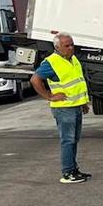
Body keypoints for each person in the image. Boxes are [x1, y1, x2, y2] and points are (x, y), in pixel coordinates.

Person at [30, 32, 91, 184]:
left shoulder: (73, 59)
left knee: (73, 140)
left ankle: (73, 169)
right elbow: (35, 79)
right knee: (68, 140)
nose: (71, 48)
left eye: (72, 45)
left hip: (74, 106)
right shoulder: (52, 62)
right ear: (57, 47)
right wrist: (49, 96)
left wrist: (83, 102)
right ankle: (68, 173)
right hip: (64, 108)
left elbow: (77, 82)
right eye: (67, 46)